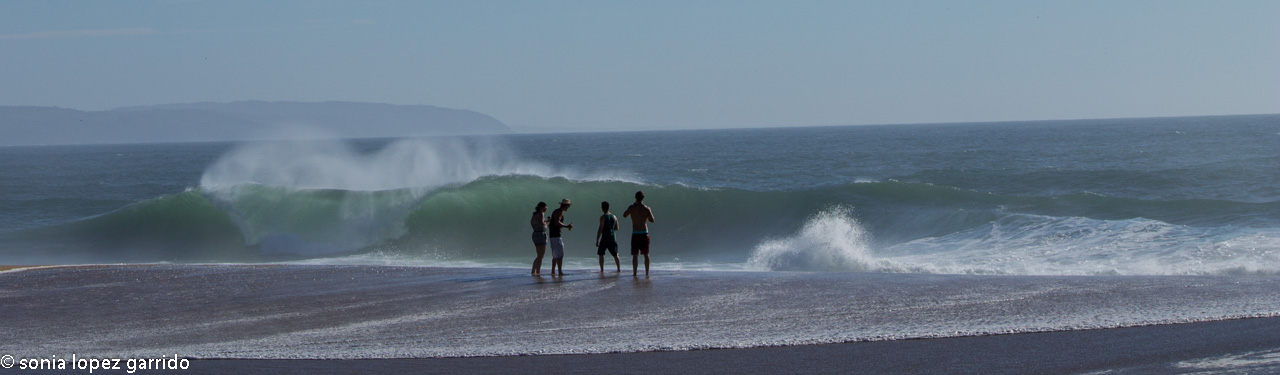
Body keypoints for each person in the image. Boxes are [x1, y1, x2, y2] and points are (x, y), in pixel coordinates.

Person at [623, 191, 655, 276]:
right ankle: (647, 273)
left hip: (635, 233)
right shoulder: (646, 209)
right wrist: (648, 212)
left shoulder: (631, 208)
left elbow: (624, 215)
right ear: (643, 198)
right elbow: (652, 220)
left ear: (635, 197)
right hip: (644, 233)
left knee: (635, 255)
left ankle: (634, 273)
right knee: (646, 254)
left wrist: (631, 209)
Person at [548, 198, 574, 276]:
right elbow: (556, 222)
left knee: (556, 254)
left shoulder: (557, 211)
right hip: (556, 236)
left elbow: (552, 224)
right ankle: (559, 272)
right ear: (565, 205)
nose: (568, 208)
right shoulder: (559, 212)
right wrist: (567, 226)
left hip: (553, 235)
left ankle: (553, 271)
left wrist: (559, 229)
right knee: (560, 254)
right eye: (568, 206)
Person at [596, 201, 621, 273]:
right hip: (613, 237)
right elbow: (617, 228)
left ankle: (602, 270)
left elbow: (600, 229)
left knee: (601, 254)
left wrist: (597, 240)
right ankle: (618, 269)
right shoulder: (614, 216)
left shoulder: (603, 217)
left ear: (602, 208)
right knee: (615, 254)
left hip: (605, 238)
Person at [530, 202, 549, 275]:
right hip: (541, 234)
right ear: (541, 207)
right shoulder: (541, 213)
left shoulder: (534, 214)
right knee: (541, 256)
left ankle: (533, 271)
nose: (546, 209)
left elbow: (533, 223)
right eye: (545, 208)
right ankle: (538, 271)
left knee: (538, 255)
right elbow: (541, 223)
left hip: (535, 234)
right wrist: (546, 221)